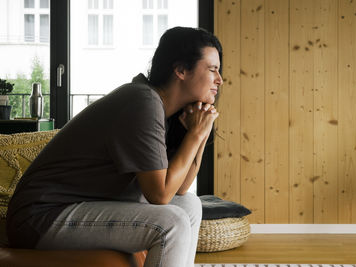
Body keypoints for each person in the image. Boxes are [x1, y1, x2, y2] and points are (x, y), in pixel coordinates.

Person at [6, 26, 223, 267]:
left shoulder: (163, 111)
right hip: (41, 216)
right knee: (172, 223)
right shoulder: (143, 102)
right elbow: (160, 195)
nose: (219, 80)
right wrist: (195, 134)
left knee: (188, 204)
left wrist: (200, 132)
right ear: (181, 70)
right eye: (212, 69)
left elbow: (180, 188)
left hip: (77, 208)